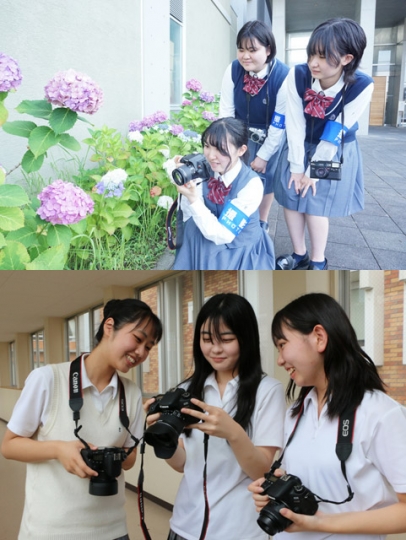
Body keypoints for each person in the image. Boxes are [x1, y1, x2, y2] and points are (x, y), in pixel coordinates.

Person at [1, 298, 162, 540]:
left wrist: (144, 438)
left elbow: (127, 462)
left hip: (113, 530)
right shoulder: (47, 379)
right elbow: (9, 445)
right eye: (138, 339)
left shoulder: (131, 392)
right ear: (109, 327)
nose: (141, 353)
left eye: (149, 347)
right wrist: (58, 449)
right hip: (51, 531)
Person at [249, 292, 406, 539]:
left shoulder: (380, 414)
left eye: (282, 345)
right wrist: (274, 490)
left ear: (319, 338)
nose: (279, 360)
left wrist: (322, 524)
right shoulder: (296, 413)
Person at [145, 293, 286, 540]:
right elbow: (182, 465)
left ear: (246, 339)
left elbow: (262, 472)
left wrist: (233, 432)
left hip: (238, 531)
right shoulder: (188, 390)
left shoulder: (267, 391)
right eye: (207, 339)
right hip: (184, 526)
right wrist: (163, 440)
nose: (215, 349)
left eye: (227, 339)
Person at [274, 18, 374, 270]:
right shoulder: (297, 75)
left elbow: (335, 132)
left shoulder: (361, 85)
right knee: (291, 195)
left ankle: (318, 260)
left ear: (347, 59)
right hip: (300, 142)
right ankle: (300, 254)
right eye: (311, 54)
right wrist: (297, 167)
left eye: (322, 56)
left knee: (315, 201)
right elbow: (294, 124)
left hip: (333, 149)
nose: (313, 63)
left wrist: (312, 173)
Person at [172, 117, 276, 269]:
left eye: (220, 149)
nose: (211, 155)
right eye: (207, 146)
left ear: (241, 150)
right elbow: (188, 215)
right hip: (205, 233)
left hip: (239, 250)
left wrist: (194, 199)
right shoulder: (203, 167)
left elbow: (223, 235)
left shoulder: (251, 185)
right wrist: (187, 184)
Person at [219, 20, 289, 228]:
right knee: (233, 175)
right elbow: (226, 112)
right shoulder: (233, 70)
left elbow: (279, 124)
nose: (245, 56)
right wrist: (227, 146)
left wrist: (263, 155)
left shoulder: (283, 76)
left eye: (252, 49)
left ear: (268, 50)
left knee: (263, 179)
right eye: (241, 49)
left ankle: (261, 221)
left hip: (270, 136)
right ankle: (234, 221)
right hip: (238, 132)